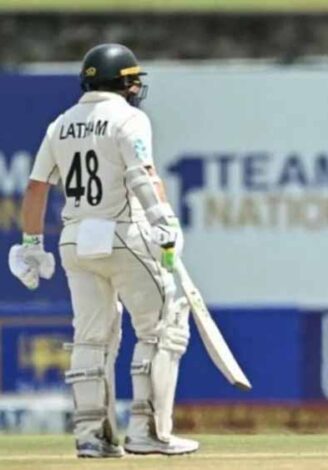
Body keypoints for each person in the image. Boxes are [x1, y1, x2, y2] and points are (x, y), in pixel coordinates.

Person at [8, 43, 198, 458]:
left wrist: (31, 245)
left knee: (92, 338)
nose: (136, 89)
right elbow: (142, 174)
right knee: (163, 327)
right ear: (122, 82)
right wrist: (164, 219)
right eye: (133, 82)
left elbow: (37, 187)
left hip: (75, 241)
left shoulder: (60, 124)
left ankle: (91, 436)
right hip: (122, 233)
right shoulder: (129, 118)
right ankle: (149, 431)